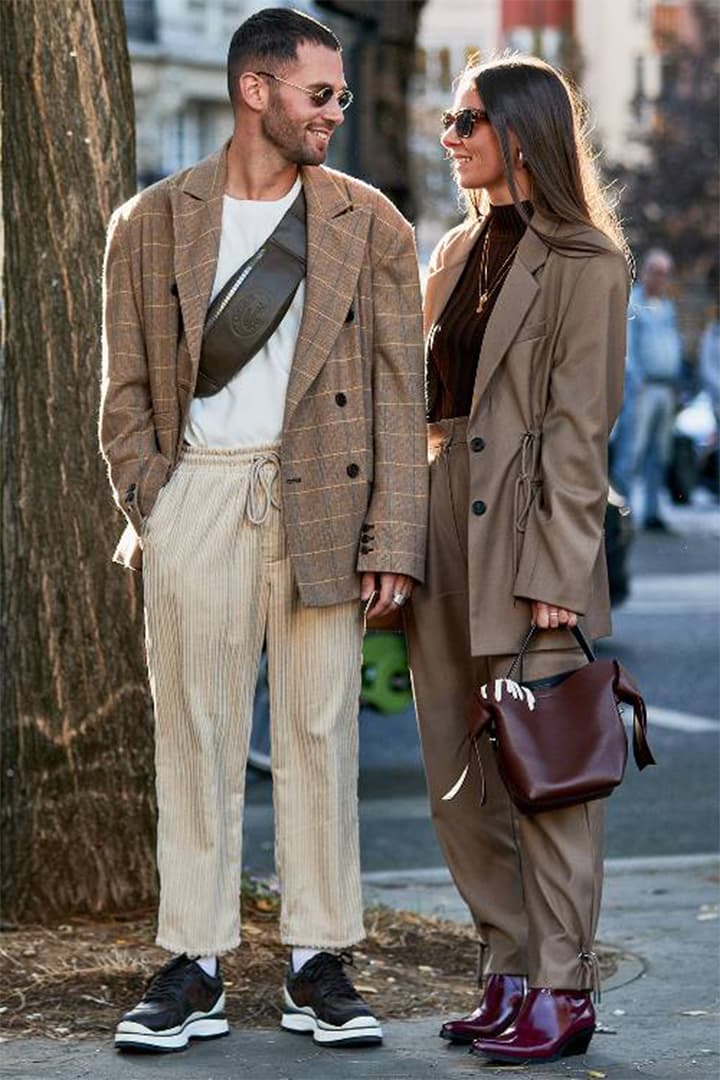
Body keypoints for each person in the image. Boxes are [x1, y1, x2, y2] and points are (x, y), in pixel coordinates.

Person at [100, 7, 427, 1055]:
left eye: (338, 94)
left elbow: (395, 394)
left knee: (321, 732)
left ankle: (316, 960)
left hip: (325, 497)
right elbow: (127, 392)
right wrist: (156, 493)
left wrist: (394, 541)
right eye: (318, 93)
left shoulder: (370, 222)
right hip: (197, 494)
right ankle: (190, 963)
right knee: (191, 733)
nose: (335, 109)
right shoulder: (149, 222)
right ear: (256, 91)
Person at [404, 55, 630, 1065]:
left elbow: (583, 431)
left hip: (533, 534)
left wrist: (556, 571)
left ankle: (564, 986)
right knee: (462, 771)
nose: (451, 135)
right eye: (449, 120)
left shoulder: (587, 260)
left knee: (545, 773)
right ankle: (506, 964)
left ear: (523, 134)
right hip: (445, 521)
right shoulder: (455, 249)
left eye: (469, 121)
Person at [611, 248, 683, 529]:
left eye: (666, 274)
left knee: (659, 453)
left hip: (665, 389)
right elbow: (627, 349)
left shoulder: (668, 306)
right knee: (632, 452)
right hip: (641, 389)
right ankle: (621, 515)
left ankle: (652, 512)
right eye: (656, 272)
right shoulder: (635, 304)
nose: (661, 278)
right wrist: (635, 381)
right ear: (645, 272)